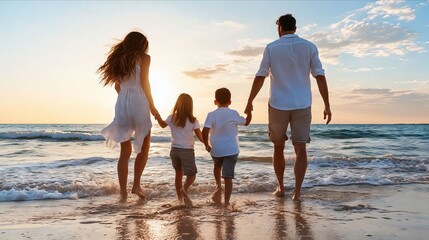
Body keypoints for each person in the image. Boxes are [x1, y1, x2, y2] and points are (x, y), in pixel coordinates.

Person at [244, 14, 332, 201]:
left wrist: (250, 101)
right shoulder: (309, 47)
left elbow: (261, 75)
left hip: (278, 103)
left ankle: (281, 187)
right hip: (302, 103)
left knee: (278, 147)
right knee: (301, 148)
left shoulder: (271, 48)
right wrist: (327, 104)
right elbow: (320, 76)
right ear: (295, 28)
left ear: (280, 28)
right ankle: (297, 193)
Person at [98, 31, 160, 201]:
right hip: (139, 101)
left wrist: (125, 95)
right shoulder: (144, 58)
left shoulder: (119, 60)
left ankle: (123, 192)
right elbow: (145, 83)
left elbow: (117, 87)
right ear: (141, 45)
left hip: (122, 103)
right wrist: (153, 108)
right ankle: (136, 185)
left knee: (125, 152)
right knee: (144, 147)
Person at [202, 88, 251, 206]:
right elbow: (247, 122)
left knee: (217, 166)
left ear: (215, 101)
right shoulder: (234, 113)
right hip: (232, 151)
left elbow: (204, 131)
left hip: (216, 150)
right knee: (228, 177)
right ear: (230, 102)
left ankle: (218, 187)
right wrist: (249, 112)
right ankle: (227, 202)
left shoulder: (211, 115)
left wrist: (206, 144)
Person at [155, 93, 203, 206]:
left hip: (175, 150)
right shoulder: (193, 120)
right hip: (187, 151)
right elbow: (200, 135)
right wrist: (207, 144)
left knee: (178, 174)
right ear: (190, 105)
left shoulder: (172, 118)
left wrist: (158, 117)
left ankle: (180, 200)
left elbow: (162, 125)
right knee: (191, 175)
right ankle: (184, 189)